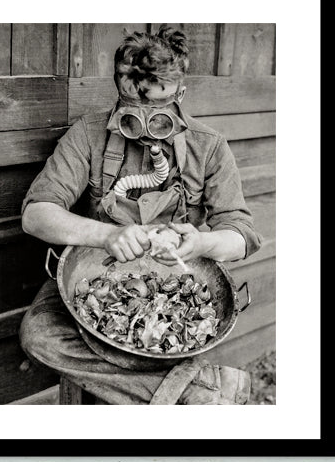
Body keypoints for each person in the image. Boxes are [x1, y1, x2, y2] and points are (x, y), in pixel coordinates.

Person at [18, 27, 262, 405]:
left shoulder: (209, 146)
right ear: (119, 87)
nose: (144, 122)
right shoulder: (88, 134)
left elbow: (241, 235)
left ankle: (158, 393)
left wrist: (202, 242)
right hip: (97, 274)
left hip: (176, 282)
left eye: (158, 109)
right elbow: (36, 215)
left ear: (180, 93)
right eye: (132, 104)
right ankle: (197, 393)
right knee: (39, 335)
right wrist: (105, 236)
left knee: (160, 346)